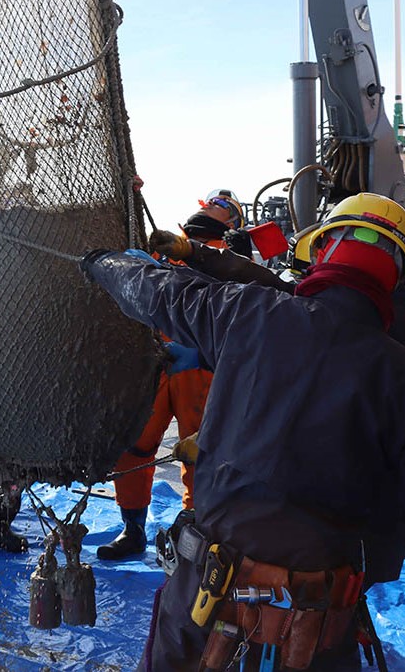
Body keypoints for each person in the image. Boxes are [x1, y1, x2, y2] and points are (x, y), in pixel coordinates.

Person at [82, 193, 405, 671]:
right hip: (319, 622)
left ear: (322, 250)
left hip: (206, 600)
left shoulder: (248, 312)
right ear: (397, 276)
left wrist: (103, 263)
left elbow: (157, 292)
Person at [97, 192, 242, 560]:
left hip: (200, 367)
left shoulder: (229, 258)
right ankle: (132, 529)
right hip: (156, 363)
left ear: (233, 222)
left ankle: (199, 532)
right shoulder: (167, 248)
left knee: (201, 453)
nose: (214, 205)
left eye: (224, 205)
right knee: (135, 445)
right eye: (212, 201)